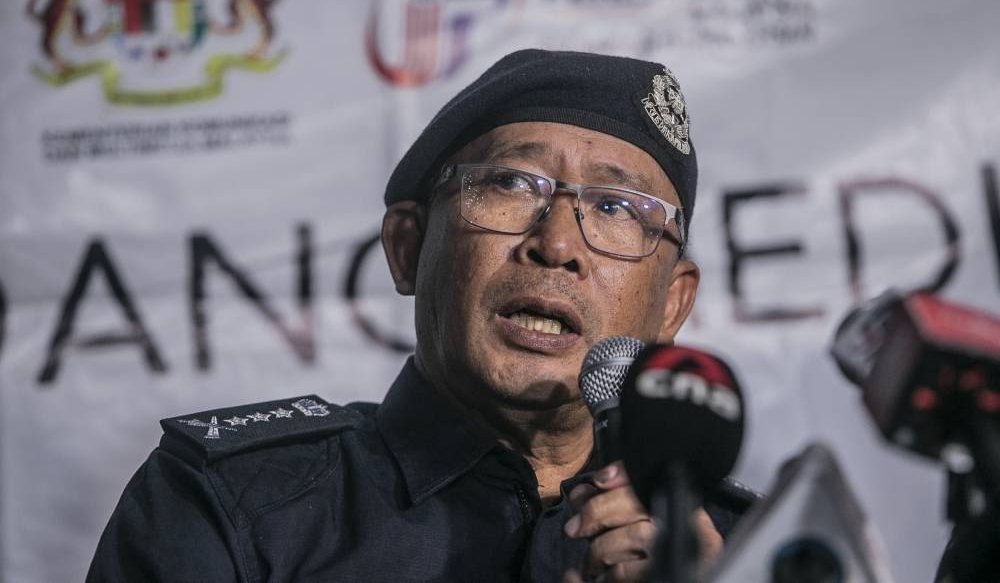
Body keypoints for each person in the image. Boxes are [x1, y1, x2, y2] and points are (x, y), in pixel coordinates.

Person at [87, 49, 742, 582]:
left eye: (616, 208)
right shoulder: (234, 503)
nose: (557, 245)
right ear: (406, 248)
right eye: (512, 183)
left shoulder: (748, 550)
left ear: (673, 303)